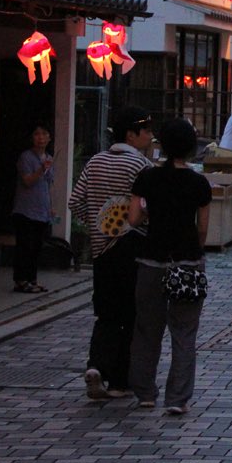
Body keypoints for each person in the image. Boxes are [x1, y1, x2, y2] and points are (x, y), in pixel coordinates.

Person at [68, 106, 154, 400]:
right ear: (131, 135)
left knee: (105, 313)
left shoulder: (95, 162)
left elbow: (75, 201)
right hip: (132, 246)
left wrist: (97, 223)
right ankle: (119, 381)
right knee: (129, 314)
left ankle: (96, 366)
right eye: (146, 130)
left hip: (101, 248)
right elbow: (146, 208)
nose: (150, 135)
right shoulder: (141, 166)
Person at [127, 119, 212, 415]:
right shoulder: (199, 183)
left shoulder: (147, 178)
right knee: (184, 333)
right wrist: (196, 250)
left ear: (161, 145)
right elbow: (203, 229)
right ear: (190, 148)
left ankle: (145, 392)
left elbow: (133, 219)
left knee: (147, 329)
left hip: (151, 260)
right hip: (187, 262)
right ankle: (177, 398)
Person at [11, 124, 54, 294]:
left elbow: (48, 185)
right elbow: (27, 181)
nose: (41, 138)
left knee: (36, 247)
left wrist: (51, 207)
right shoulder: (26, 157)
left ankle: (32, 279)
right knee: (24, 246)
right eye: (37, 134)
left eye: (44, 134)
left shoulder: (49, 158)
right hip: (25, 210)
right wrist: (41, 169)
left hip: (41, 210)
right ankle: (21, 280)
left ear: (49, 138)